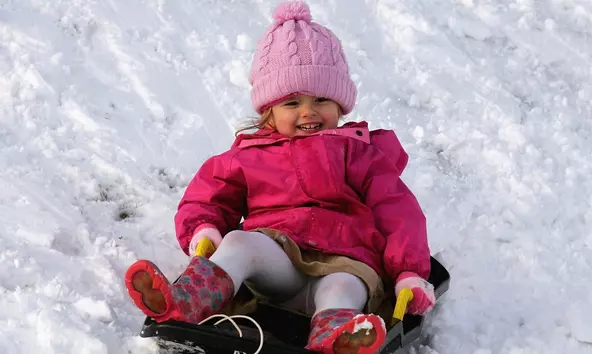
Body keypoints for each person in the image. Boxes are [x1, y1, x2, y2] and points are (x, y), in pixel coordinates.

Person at [124, 1, 435, 353]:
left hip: (345, 262)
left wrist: (409, 271)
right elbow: (209, 193)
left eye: (321, 99)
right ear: (268, 109)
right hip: (278, 268)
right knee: (241, 243)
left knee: (344, 287)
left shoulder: (360, 153)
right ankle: (187, 303)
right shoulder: (250, 154)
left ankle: (334, 337)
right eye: (291, 103)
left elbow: (398, 211)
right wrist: (204, 229)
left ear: (341, 104)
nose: (308, 111)